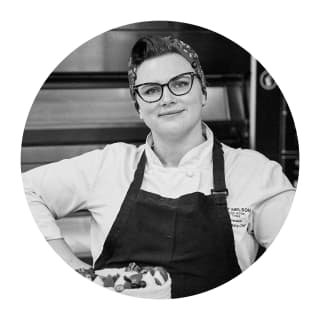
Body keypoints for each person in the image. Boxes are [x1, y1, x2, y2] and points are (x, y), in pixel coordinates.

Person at [22, 36, 295, 298]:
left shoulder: (256, 173)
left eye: (180, 83)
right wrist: (77, 273)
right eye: (151, 90)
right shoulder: (109, 165)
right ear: (138, 107)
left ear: (202, 92)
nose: (167, 99)